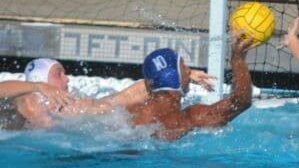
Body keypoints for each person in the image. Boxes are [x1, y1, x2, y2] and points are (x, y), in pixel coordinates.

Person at [127, 30, 259, 141]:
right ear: (172, 77)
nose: (189, 71)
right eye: (183, 67)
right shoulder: (189, 118)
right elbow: (240, 101)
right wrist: (238, 58)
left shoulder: (130, 113)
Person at [0, 58, 173, 130]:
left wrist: (179, 76)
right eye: (58, 74)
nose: (67, 79)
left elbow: (123, 97)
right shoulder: (20, 104)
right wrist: (37, 86)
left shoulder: (75, 106)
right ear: (42, 79)